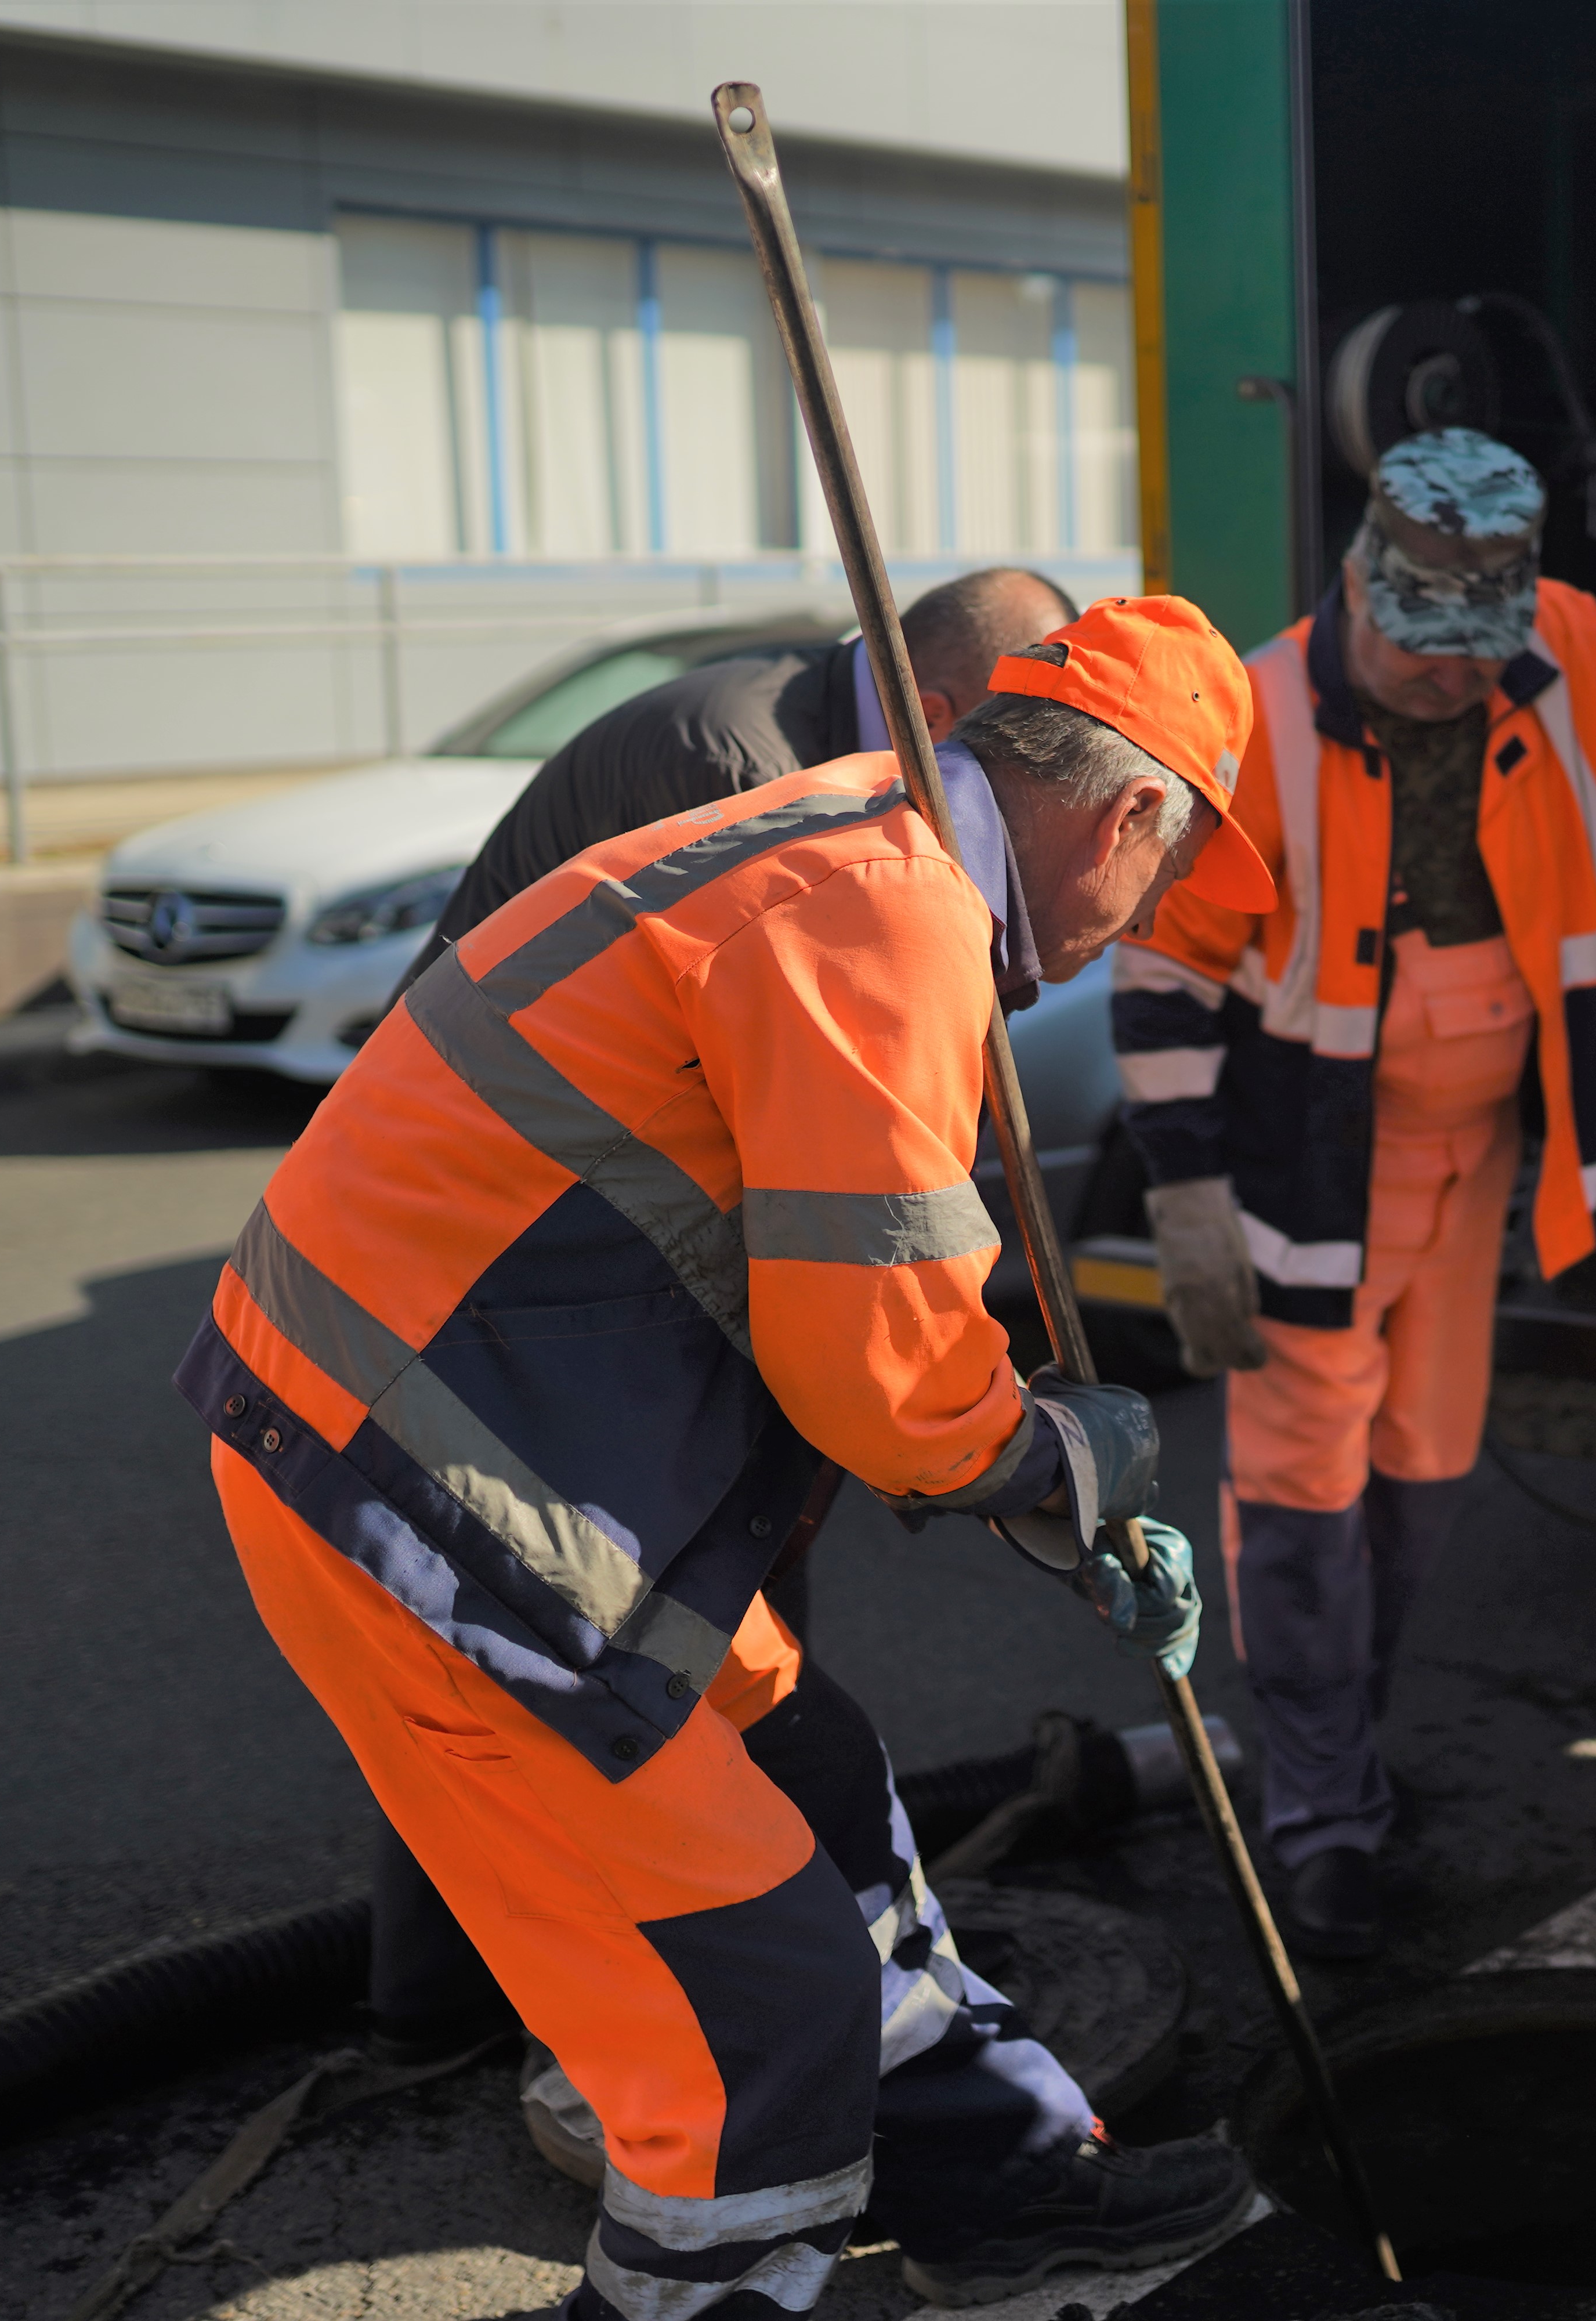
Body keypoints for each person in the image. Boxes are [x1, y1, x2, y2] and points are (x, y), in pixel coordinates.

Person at [179, 596, 1281, 2315]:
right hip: (416, 1487)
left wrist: (1034, 1468)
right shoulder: (883, 906)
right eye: (1167, 875)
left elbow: (842, 1281)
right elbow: (883, 1369)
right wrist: (1063, 1461)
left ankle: (1002, 2189)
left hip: (492, 1441)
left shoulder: (863, 851)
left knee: (815, 1778)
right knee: (753, 2005)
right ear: (1129, 813)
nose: (1141, 925)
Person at [364, 564, 1081, 2177]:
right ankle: (613, 2040)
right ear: (955, 709)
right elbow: (842, 1176)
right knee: (571, 1647)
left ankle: (464, 2003)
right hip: (527, 1246)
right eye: (1025, 757)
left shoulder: (832, 757)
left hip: (587, 1229)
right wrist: (951, 1435)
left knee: (557, 1639)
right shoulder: (758, 783)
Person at [1109, 428, 1596, 1957]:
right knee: (1302, 1487)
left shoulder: (1565, 653)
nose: (1445, 677)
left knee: (1423, 1470)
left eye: (1472, 652)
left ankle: (1334, 1741)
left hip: (1479, 1165)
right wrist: (1188, 1195)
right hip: (1309, 1175)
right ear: (1356, 584)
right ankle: (1325, 1819)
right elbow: (1162, 969)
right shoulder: (1261, 717)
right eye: (1418, 645)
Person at [401, 565, 1078, 1000]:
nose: (994, 780)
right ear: (933, 715)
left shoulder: (807, 720)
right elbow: (777, 1025)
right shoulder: (747, 773)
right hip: (467, 1142)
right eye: (993, 749)